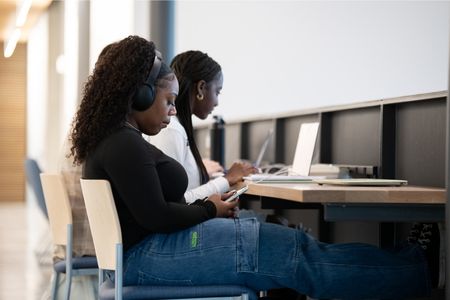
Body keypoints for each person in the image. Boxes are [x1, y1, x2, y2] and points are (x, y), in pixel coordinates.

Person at [70, 35, 433, 299]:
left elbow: (155, 213)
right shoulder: (123, 143)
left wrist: (207, 208)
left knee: (298, 249)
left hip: (149, 254)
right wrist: (209, 207)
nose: (170, 110)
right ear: (141, 94)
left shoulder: (116, 139)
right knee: (300, 257)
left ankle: (408, 263)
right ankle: (418, 272)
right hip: (153, 256)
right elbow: (158, 217)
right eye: (166, 100)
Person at [150, 50, 258, 204]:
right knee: (288, 229)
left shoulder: (178, 127)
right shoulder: (171, 130)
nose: (217, 102)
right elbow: (174, 203)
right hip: (187, 227)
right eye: (217, 91)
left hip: (192, 220)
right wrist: (226, 180)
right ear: (201, 88)